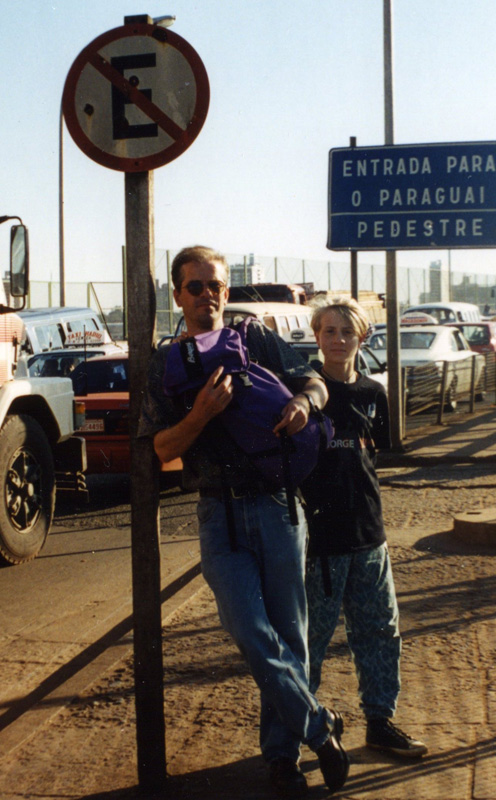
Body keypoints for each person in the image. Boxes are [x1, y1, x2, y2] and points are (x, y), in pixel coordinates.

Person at [138, 246, 349, 799]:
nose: (207, 296)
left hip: (279, 507)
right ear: (177, 295)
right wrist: (201, 414)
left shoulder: (254, 338)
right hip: (218, 513)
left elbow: (316, 381)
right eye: (195, 287)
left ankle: (283, 759)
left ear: (227, 293)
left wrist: (305, 404)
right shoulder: (167, 364)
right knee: (251, 633)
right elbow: (159, 448)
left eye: (216, 286)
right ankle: (320, 728)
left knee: (290, 637)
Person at [301, 298, 428, 759]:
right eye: (329, 331)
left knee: (379, 632)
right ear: (316, 336)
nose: (337, 340)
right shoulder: (301, 391)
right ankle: (304, 729)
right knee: (309, 641)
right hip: (319, 545)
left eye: (346, 332)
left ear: (362, 337)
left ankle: (380, 721)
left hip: (369, 537)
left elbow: (375, 458)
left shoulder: (375, 393)